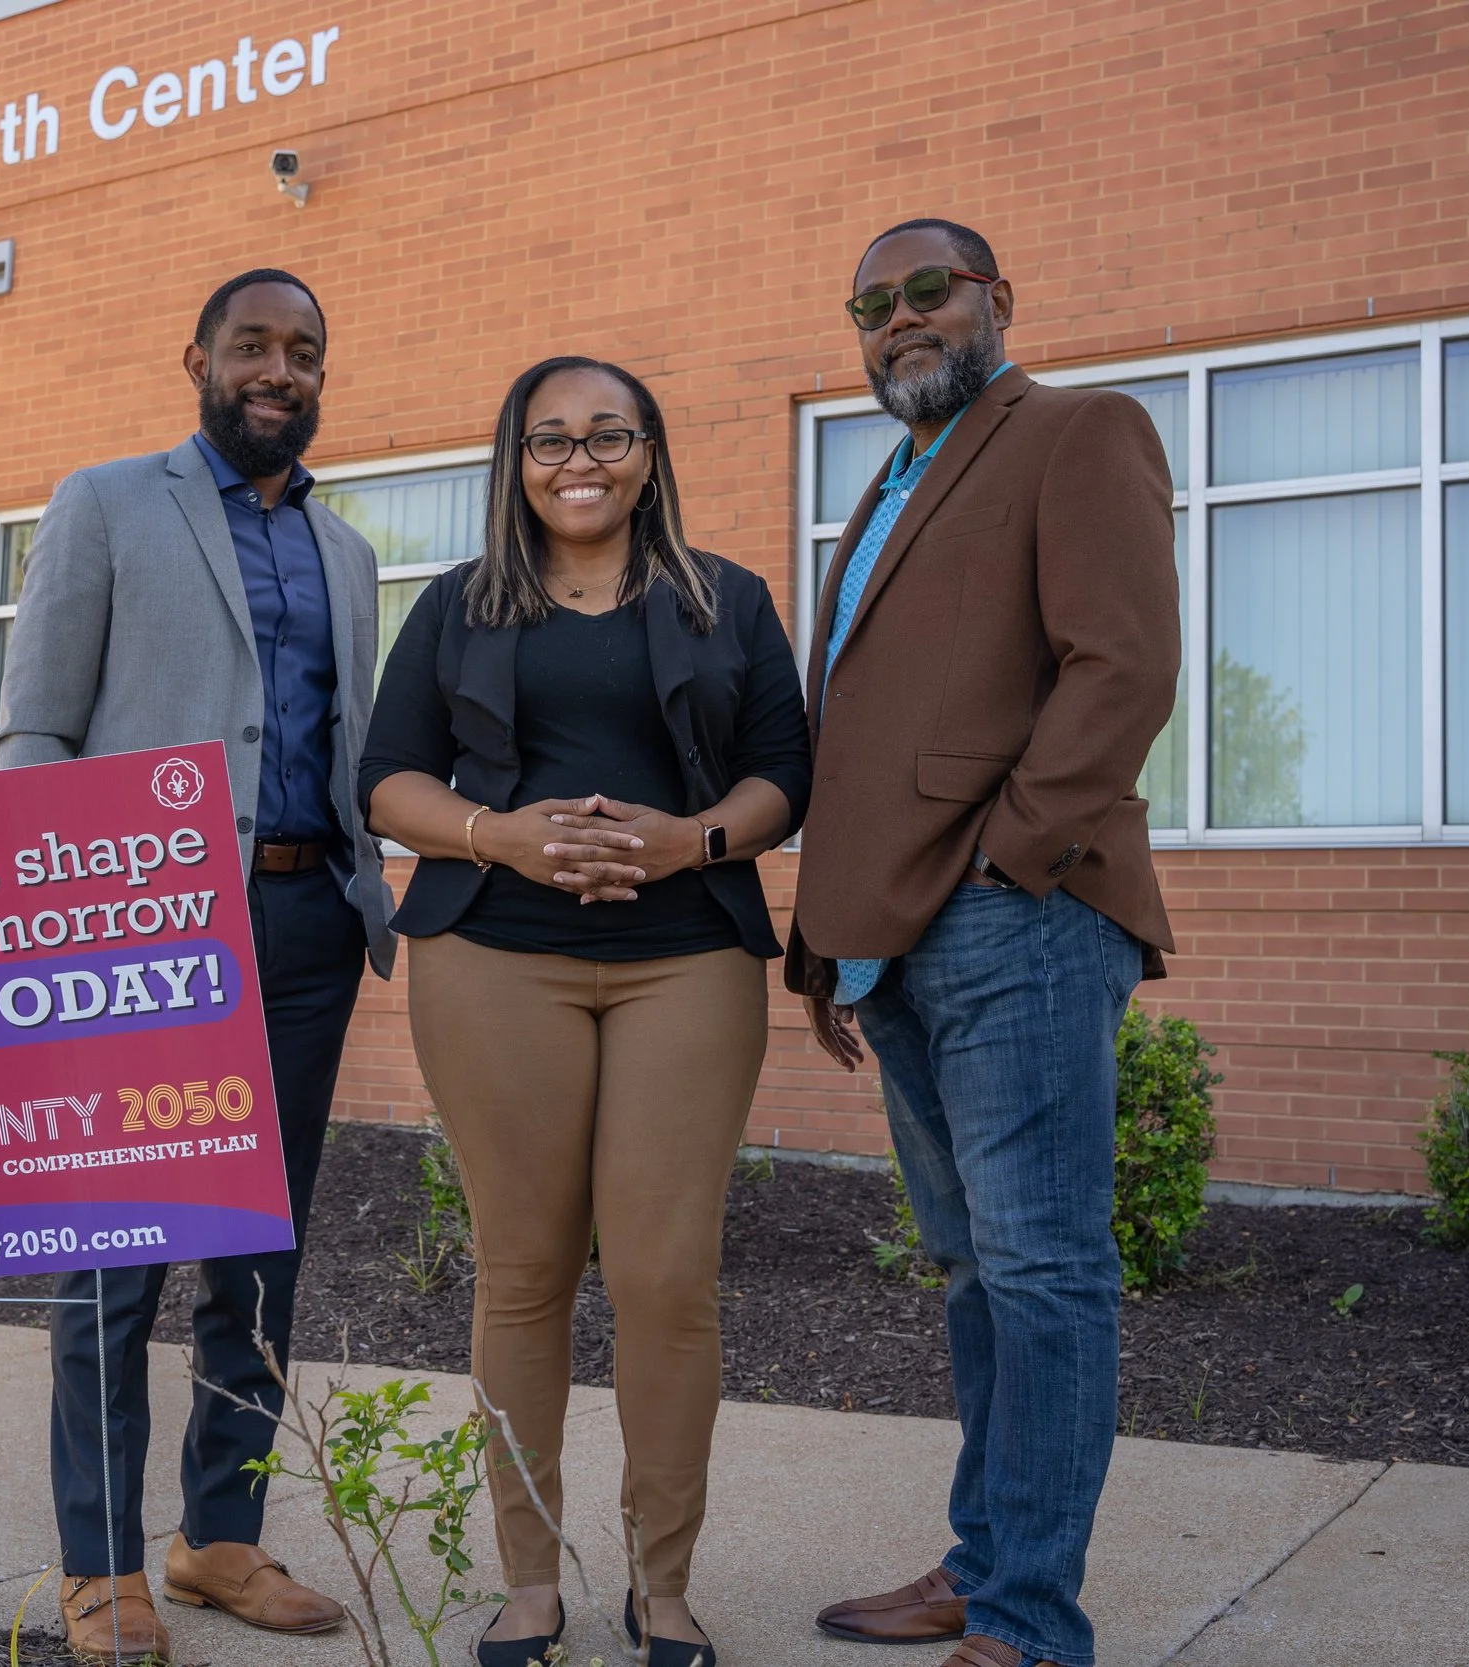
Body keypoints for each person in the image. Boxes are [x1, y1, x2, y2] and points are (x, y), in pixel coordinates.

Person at [362, 356, 811, 1667]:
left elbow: (784, 772)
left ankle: (662, 1587)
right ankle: (526, 1580)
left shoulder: (727, 598)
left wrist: (695, 840)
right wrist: (499, 833)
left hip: (688, 957)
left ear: (650, 450)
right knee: (524, 1268)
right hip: (496, 955)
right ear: (515, 458)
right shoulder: (456, 605)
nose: (581, 457)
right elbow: (386, 777)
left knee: (670, 1277)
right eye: (551, 437)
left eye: (609, 433)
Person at [790, 219, 1179, 1667]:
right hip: (897, 939)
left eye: (926, 289)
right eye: (870, 303)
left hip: (1019, 919)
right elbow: (868, 732)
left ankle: (1026, 1622)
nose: (899, 317)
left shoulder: (1075, 431)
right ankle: (986, 1560)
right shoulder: (890, 479)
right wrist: (832, 937)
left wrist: (1012, 862)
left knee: (1045, 1269)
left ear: (997, 300)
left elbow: (1124, 662)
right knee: (972, 1271)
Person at [0, 267, 394, 1664]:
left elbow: (348, 750)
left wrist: (374, 885)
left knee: (257, 1251)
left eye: (306, 348)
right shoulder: (105, 502)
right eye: (255, 344)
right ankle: (101, 1562)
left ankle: (219, 1533)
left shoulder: (346, 553)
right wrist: (73, 913)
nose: (281, 366)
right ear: (198, 357)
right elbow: (33, 727)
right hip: (141, 931)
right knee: (116, 1256)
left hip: (304, 929)